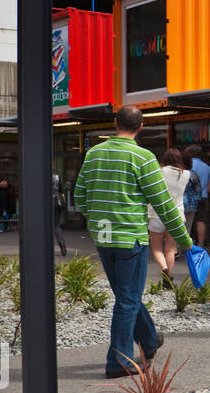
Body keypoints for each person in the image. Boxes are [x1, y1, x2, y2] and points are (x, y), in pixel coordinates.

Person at [75, 105, 193, 378]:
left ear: (115, 123)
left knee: (125, 295)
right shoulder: (143, 157)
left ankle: (149, 341)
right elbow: (164, 204)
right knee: (127, 300)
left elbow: (80, 196)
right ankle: (118, 362)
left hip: (103, 236)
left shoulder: (93, 154)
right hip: (130, 238)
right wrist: (184, 240)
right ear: (141, 127)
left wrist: (96, 218)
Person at [146, 148, 190, 289]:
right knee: (171, 249)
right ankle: (168, 278)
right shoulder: (186, 174)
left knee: (157, 248)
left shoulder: (159, 172)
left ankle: (164, 269)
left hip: (156, 214)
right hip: (176, 215)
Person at [185, 145, 210, 247]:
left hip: (187, 198)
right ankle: (201, 243)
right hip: (202, 197)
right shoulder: (207, 167)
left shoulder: (186, 166)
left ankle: (185, 245)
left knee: (186, 221)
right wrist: (204, 192)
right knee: (201, 221)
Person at [52, 170, 68, 257]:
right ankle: (62, 245)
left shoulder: (40, 177)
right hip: (57, 202)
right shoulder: (56, 177)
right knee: (56, 225)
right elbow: (61, 191)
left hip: (47, 202)